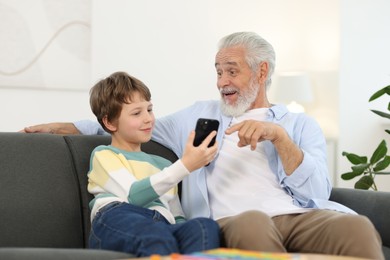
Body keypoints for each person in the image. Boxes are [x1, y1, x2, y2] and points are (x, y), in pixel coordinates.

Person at [22, 32, 384, 259]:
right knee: (255, 224)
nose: (221, 82)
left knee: (358, 228)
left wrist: (279, 138)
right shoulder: (199, 115)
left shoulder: (298, 124)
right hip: (237, 221)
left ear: (261, 72)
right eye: (217, 71)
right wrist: (67, 127)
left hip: (297, 215)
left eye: (231, 70)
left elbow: (318, 188)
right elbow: (128, 123)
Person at [84, 71, 220, 256]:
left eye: (149, 109)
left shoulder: (163, 164)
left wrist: (183, 233)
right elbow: (133, 196)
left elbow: (176, 215)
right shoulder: (105, 155)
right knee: (156, 235)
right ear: (109, 122)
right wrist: (185, 165)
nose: (148, 118)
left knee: (204, 227)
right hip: (118, 217)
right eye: (136, 113)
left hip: (161, 223)